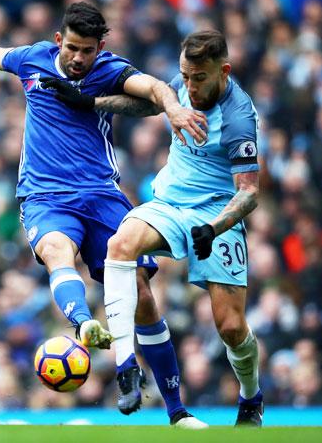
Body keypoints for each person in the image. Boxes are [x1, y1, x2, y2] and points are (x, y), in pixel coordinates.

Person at [0, 2, 207, 428]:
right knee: (58, 252)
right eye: (74, 48)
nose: (80, 58)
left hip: (101, 193)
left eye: (89, 51)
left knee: (141, 291)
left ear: (101, 47)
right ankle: (83, 325)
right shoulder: (34, 59)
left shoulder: (109, 70)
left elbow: (155, 89)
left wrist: (172, 109)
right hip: (44, 196)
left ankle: (177, 412)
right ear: (60, 41)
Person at [48, 30, 264, 426]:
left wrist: (214, 228)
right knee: (121, 244)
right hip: (169, 204)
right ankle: (126, 364)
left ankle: (251, 397)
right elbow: (145, 107)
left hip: (216, 215)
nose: (190, 86)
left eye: (199, 77)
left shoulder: (238, 118)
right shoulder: (181, 87)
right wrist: (91, 102)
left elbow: (248, 193)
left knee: (231, 327)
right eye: (185, 75)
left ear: (224, 70)